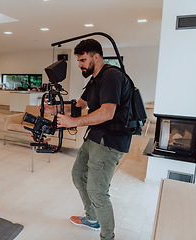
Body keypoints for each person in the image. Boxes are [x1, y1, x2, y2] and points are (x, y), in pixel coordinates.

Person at [44, 39, 132, 240]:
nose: (80, 65)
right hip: (95, 136)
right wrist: (53, 109)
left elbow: (107, 113)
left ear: (96, 56)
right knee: (78, 174)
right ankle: (92, 218)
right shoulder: (95, 79)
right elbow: (79, 105)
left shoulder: (111, 76)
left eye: (83, 60)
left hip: (111, 141)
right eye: (78, 61)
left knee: (98, 191)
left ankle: (107, 236)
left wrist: (73, 122)